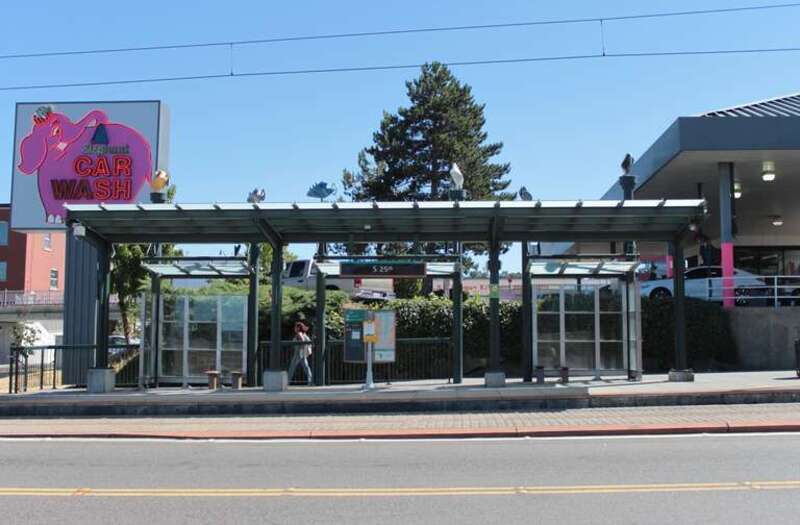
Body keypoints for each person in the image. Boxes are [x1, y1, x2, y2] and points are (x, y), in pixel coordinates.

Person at [288, 321, 313, 385]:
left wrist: (300, 347)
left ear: (298, 328)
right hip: (302, 353)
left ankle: (287, 382)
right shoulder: (304, 334)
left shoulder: (299, 333)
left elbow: (302, 340)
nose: (294, 328)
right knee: (306, 367)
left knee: (292, 368)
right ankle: (310, 381)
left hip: (298, 353)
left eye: (295, 327)